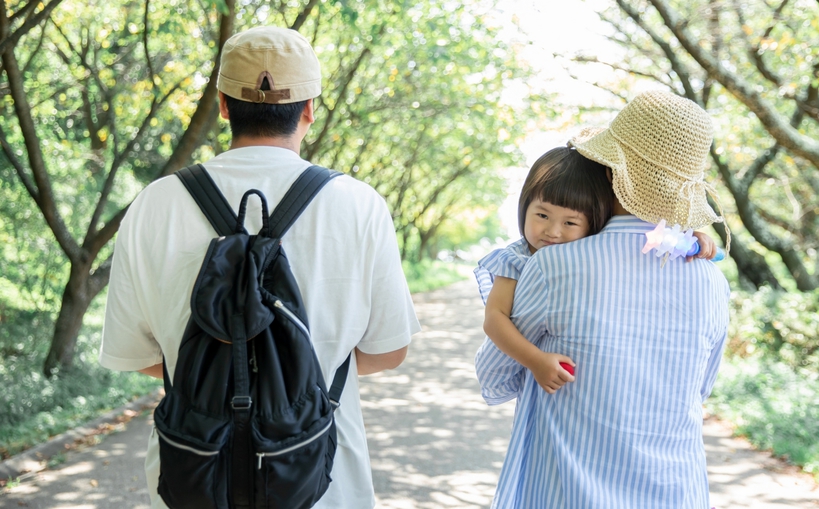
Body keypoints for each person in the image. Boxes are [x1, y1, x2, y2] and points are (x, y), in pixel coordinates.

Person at [99, 26, 421, 509]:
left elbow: (138, 354)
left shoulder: (154, 203)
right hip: (321, 477)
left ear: (224, 105)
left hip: (194, 472)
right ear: (310, 108)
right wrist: (291, 372)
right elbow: (388, 351)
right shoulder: (358, 204)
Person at [474, 90, 731, 508]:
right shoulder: (712, 282)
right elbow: (700, 390)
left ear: (611, 172)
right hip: (675, 492)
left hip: (568, 493)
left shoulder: (553, 266)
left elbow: (494, 376)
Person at [475, 146, 717, 396]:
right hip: (528, 364)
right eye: (541, 215)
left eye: (570, 222)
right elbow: (494, 319)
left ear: (592, 222)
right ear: (524, 207)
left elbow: (644, 233)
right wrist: (535, 360)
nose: (553, 231)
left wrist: (691, 237)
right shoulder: (515, 258)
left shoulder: (588, 247)